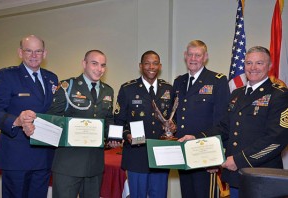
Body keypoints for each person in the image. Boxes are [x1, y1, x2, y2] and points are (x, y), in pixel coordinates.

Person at [179, 46, 288, 198]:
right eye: (249, 63)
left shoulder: (279, 95)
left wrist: (239, 160)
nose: (253, 68)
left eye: (259, 63)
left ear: (269, 66)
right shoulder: (238, 94)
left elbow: (276, 140)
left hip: (261, 176)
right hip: (235, 175)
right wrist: (196, 138)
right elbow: (224, 128)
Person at [0, 35, 58, 198]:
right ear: (20, 53)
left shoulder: (52, 78)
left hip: (44, 156)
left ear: (44, 53)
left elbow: (55, 112)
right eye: (29, 51)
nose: (34, 55)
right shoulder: (7, 76)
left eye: (38, 51)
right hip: (16, 156)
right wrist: (16, 121)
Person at [47, 50, 114, 198]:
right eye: (94, 64)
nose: (99, 69)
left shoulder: (108, 91)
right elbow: (52, 119)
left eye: (103, 65)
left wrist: (114, 137)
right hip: (68, 163)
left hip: (94, 165)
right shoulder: (66, 86)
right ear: (84, 64)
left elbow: (109, 119)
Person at [173, 40, 230, 198]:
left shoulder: (217, 81)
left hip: (205, 153)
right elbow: (176, 116)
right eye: (190, 54)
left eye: (197, 55)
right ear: (185, 56)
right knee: (187, 194)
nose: (193, 58)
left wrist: (216, 156)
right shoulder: (179, 81)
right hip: (183, 151)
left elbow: (222, 122)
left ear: (205, 57)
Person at [114, 50, 175, 198]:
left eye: (155, 63)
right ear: (140, 66)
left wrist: (174, 126)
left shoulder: (169, 89)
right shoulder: (128, 89)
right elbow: (118, 120)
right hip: (137, 155)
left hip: (161, 156)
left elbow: (175, 117)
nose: (151, 67)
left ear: (160, 66)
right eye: (147, 63)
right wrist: (126, 134)